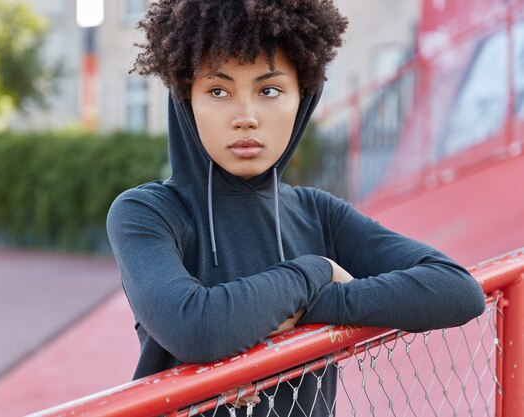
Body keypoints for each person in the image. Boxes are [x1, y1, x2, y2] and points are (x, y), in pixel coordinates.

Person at [106, 1, 486, 415]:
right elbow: (197, 328)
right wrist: (316, 272)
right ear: (186, 99)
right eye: (218, 90)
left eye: (269, 90)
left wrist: (310, 309)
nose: (246, 117)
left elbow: (456, 289)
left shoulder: (318, 213)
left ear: (302, 99)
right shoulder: (148, 213)